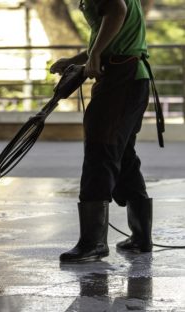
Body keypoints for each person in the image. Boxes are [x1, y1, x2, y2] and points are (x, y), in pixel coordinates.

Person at [50, 0, 157, 262]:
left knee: (101, 149)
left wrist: (95, 53)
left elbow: (117, 10)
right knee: (122, 154)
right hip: (130, 76)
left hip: (122, 77)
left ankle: (94, 242)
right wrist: (79, 58)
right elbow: (112, 31)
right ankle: (141, 237)